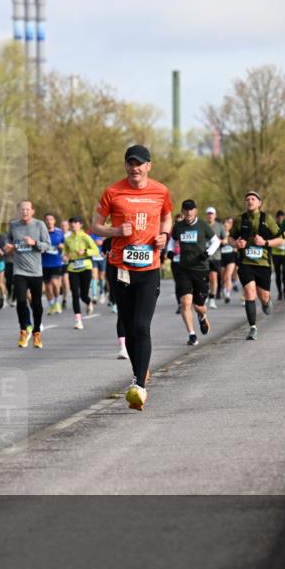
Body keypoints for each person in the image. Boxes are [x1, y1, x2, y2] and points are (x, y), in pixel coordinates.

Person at [92, 145, 172, 410]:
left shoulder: (161, 191)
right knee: (127, 326)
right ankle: (140, 372)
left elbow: (167, 217)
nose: (134, 168)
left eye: (139, 163)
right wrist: (116, 231)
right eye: (130, 163)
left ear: (149, 165)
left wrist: (164, 236)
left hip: (149, 269)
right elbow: (95, 226)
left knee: (141, 326)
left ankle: (139, 386)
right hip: (121, 269)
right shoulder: (112, 192)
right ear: (125, 165)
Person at [230, 191, 282, 341]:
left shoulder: (267, 219)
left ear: (259, 203)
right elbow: (230, 238)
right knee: (249, 292)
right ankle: (252, 327)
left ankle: (266, 301)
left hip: (263, 263)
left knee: (263, 296)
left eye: (253, 199)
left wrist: (265, 243)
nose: (250, 201)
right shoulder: (239, 219)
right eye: (247, 199)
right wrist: (236, 243)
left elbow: (281, 239)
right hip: (245, 262)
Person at [170, 200, 217, 345]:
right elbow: (171, 240)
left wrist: (207, 253)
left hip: (200, 269)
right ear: (183, 211)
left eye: (191, 210)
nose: (188, 212)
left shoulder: (202, 225)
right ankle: (192, 334)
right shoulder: (178, 226)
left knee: (198, 307)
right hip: (183, 269)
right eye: (186, 210)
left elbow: (216, 241)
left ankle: (202, 317)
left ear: (195, 211)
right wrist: (170, 251)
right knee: (185, 302)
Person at [4, 200, 50, 348]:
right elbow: (8, 243)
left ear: (32, 211)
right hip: (19, 270)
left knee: (36, 303)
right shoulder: (13, 225)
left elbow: (47, 246)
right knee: (21, 301)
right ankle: (23, 331)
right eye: (22, 209)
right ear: (19, 211)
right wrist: (8, 248)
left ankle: (37, 333)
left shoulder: (39, 225)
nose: (25, 212)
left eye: (27, 209)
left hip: (36, 271)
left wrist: (34, 243)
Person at [62, 215, 100, 330]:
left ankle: (88, 302)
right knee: (75, 294)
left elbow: (96, 251)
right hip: (72, 268)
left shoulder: (86, 237)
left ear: (80, 225)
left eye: (75, 222)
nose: (73, 225)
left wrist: (85, 251)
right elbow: (65, 252)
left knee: (83, 295)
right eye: (71, 223)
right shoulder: (68, 239)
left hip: (85, 267)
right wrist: (65, 256)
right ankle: (78, 321)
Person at [41, 213, 65, 315]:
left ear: (54, 221)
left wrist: (62, 247)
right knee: (47, 287)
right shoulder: (41, 233)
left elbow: (65, 245)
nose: (49, 221)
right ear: (45, 222)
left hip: (56, 262)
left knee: (55, 283)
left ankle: (56, 302)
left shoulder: (59, 232)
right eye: (47, 220)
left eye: (51, 219)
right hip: (44, 263)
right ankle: (51, 305)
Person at [205, 207, 226, 309]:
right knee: (204, 278)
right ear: (206, 215)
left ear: (215, 215)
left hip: (216, 256)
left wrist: (219, 242)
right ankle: (205, 294)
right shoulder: (202, 225)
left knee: (213, 277)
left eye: (212, 214)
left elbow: (225, 239)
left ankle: (212, 299)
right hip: (204, 256)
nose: (210, 215)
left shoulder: (220, 226)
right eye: (208, 214)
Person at [219, 216, 238, 303]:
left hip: (231, 256)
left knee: (228, 276)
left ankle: (227, 294)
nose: (227, 225)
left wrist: (233, 244)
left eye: (229, 223)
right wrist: (221, 241)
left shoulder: (233, 234)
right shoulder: (220, 233)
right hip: (221, 256)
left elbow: (237, 244)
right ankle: (224, 288)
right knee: (223, 277)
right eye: (226, 223)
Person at [271, 210, 285, 301]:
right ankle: (280, 293)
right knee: (277, 274)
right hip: (276, 253)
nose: (281, 219)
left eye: (282, 218)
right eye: (279, 218)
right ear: (277, 218)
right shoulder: (273, 227)